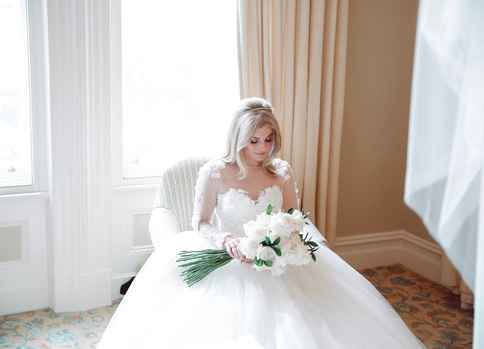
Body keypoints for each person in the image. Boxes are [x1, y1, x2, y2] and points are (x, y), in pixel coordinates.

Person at [97, 97, 427, 349]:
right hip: (229, 258)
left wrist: (284, 242)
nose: (262, 148)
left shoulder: (281, 171)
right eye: (254, 140)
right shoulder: (215, 172)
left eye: (268, 139)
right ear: (238, 138)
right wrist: (226, 240)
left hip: (278, 261)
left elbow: (294, 218)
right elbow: (200, 222)